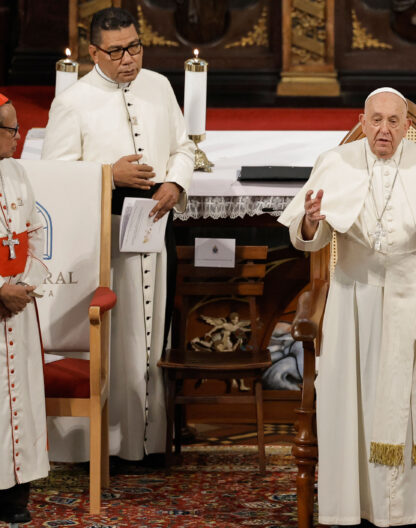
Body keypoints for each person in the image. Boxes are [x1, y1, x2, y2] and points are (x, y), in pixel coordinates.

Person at [278, 87, 416, 527]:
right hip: (358, 301)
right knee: (358, 402)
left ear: (408, 127)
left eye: (394, 121)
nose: (384, 129)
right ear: (362, 121)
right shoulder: (335, 163)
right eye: (376, 119)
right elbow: (305, 235)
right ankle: (358, 504)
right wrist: (312, 221)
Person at [41, 7, 194, 462]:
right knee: (120, 338)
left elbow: (184, 146)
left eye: (135, 46)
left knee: (152, 338)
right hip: (106, 233)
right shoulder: (73, 102)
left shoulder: (159, 86)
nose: (128, 59)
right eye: (116, 51)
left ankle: (149, 443)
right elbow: (54, 177)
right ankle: (107, 447)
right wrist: (109, 174)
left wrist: (175, 181)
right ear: (93, 53)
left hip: (154, 224)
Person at [0, 94, 51, 523]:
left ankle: (17, 497)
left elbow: (35, 232)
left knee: (21, 403)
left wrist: (24, 284)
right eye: (10, 130)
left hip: (17, 309)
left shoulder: (16, 171)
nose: (18, 138)